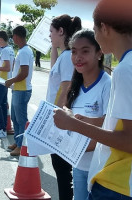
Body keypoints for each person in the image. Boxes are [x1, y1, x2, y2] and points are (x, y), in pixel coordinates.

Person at [53, 0, 132, 199]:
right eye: (74, 52)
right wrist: (87, 121)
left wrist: (73, 124)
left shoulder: (124, 71)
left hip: (117, 182)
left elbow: (129, 140)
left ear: (103, 28)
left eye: (95, 30)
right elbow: (121, 124)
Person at [66, 29, 111, 200]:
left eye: (85, 51)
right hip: (79, 166)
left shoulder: (108, 85)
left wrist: (75, 148)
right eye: (74, 52)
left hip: (101, 169)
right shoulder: (76, 85)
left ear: (99, 53)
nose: (78, 57)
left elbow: (112, 125)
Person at [47, 14, 82, 200]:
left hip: (60, 120)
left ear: (61, 31)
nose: (49, 35)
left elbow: (66, 88)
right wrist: (54, 47)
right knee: (61, 170)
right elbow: (55, 70)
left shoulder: (68, 56)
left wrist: (53, 119)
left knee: (63, 171)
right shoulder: (65, 56)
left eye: (51, 32)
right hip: (60, 118)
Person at [5, 26, 33, 156]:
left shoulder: (24, 52)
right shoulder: (23, 50)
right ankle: (18, 141)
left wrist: (11, 80)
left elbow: (24, 73)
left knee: (21, 120)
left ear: (16, 36)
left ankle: (22, 145)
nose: (12, 38)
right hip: (18, 89)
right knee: (15, 118)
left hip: (22, 90)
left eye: (12, 36)